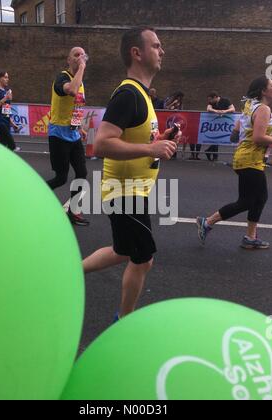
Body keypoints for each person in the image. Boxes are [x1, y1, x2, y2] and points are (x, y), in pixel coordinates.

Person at [83, 27, 180, 320]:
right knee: (143, 257)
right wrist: (151, 150)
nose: (162, 51)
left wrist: (158, 139)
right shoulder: (128, 94)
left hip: (132, 189)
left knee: (124, 251)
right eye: (156, 46)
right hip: (124, 191)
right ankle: (124, 321)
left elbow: (133, 139)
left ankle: (70, 271)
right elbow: (101, 144)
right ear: (136, 53)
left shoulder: (142, 95)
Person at [197, 76, 272, 250]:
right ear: (263, 90)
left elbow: (239, 128)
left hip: (246, 158)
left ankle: (250, 237)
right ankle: (207, 222)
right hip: (250, 159)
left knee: (258, 198)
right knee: (248, 201)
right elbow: (258, 137)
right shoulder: (262, 109)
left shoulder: (250, 105)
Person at [47, 47, 89, 226]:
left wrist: (79, 127)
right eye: (76, 55)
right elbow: (72, 91)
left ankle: (73, 211)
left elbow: (76, 105)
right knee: (61, 177)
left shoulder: (80, 81)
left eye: (82, 55)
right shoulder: (62, 77)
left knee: (82, 172)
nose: (80, 57)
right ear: (68, 59)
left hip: (73, 134)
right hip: (58, 135)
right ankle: (36, 195)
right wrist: (82, 68)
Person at [0, 71, 20, 151]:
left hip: (6, 121)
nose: (7, 79)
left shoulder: (6, 91)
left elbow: (6, 110)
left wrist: (13, 124)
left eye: (7, 77)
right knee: (11, 143)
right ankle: (13, 147)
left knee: (3, 145)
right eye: (5, 77)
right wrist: (5, 99)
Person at [205, 91, 236, 161]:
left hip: (225, 123)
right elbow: (208, 108)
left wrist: (224, 111)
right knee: (215, 138)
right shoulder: (212, 102)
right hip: (215, 123)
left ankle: (210, 152)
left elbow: (233, 109)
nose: (210, 101)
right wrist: (216, 111)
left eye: (211, 99)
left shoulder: (225, 100)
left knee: (218, 138)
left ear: (215, 97)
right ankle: (214, 155)